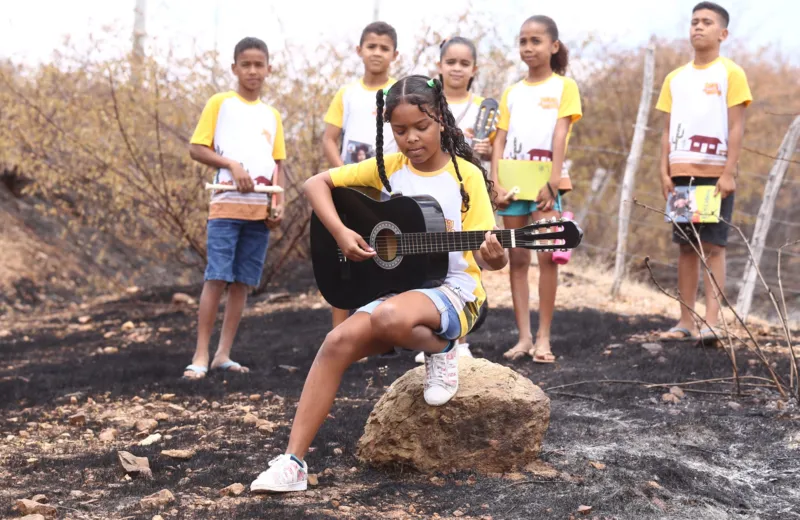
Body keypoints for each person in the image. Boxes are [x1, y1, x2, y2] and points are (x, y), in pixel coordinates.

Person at [250, 75, 507, 493]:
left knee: (388, 315)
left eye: (420, 127)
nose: (411, 139)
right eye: (400, 130)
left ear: (441, 119)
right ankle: (293, 463)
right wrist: (340, 233)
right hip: (403, 291)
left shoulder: (466, 177)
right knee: (335, 342)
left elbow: (483, 256)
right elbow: (316, 184)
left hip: (457, 291)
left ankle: (444, 348)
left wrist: (496, 258)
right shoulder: (389, 169)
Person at [182, 37, 285, 379]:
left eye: (259, 65)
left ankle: (223, 354)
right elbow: (197, 148)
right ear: (234, 68)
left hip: (259, 211)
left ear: (269, 69)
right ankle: (200, 353)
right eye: (246, 64)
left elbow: (277, 164)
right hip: (226, 207)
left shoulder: (272, 115)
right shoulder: (220, 103)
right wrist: (233, 165)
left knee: (242, 282)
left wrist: (277, 202)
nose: (253, 71)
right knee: (217, 276)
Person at [656, 1, 751, 342]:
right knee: (685, 247)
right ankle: (686, 321)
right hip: (680, 175)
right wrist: (664, 171)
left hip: (715, 175)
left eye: (707, 22)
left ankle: (711, 321)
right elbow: (666, 130)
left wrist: (729, 171)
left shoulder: (731, 73)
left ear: (722, 33)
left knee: (713, 246)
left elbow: (737, 126)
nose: (698, 27)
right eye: (694, 21)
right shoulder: (675, 78)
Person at [491, 15, 582, 363]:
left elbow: (560, 134)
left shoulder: (564, 87)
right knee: (517, 257)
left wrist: (554, 181)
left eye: (536, 41)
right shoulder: (511, 92)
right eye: (523, 41)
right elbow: (499, 139)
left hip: (546, 182)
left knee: (547, 257)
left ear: (553, 46)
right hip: (512, 185)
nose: (528, 47)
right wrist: (496, 183)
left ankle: (544, 337)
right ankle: (524, 337)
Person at [415, 36, 493, 363]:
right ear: (439, 66)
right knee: (428, 263)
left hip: (466, 187)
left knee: (466, 260)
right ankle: (429, 338)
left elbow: (491, 147)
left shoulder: (482, 107)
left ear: (474, 69)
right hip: (430, 186)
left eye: (463, 63)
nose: (457, 68)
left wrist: (485, 152)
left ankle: (459, 340)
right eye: (451, 62)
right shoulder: (429, 102)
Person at [322, 21, 400, 330]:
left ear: (395, 54)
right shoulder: (347, 94)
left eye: (384, 48)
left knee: (386, 256)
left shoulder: (398, 91)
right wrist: (340, 175)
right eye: (371, 46)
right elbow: (329, 138)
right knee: (344, 258)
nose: (377, 53)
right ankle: (339, 334)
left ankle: (381, 331)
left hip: (390, 191)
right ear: (359, 50)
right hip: (352, 190)